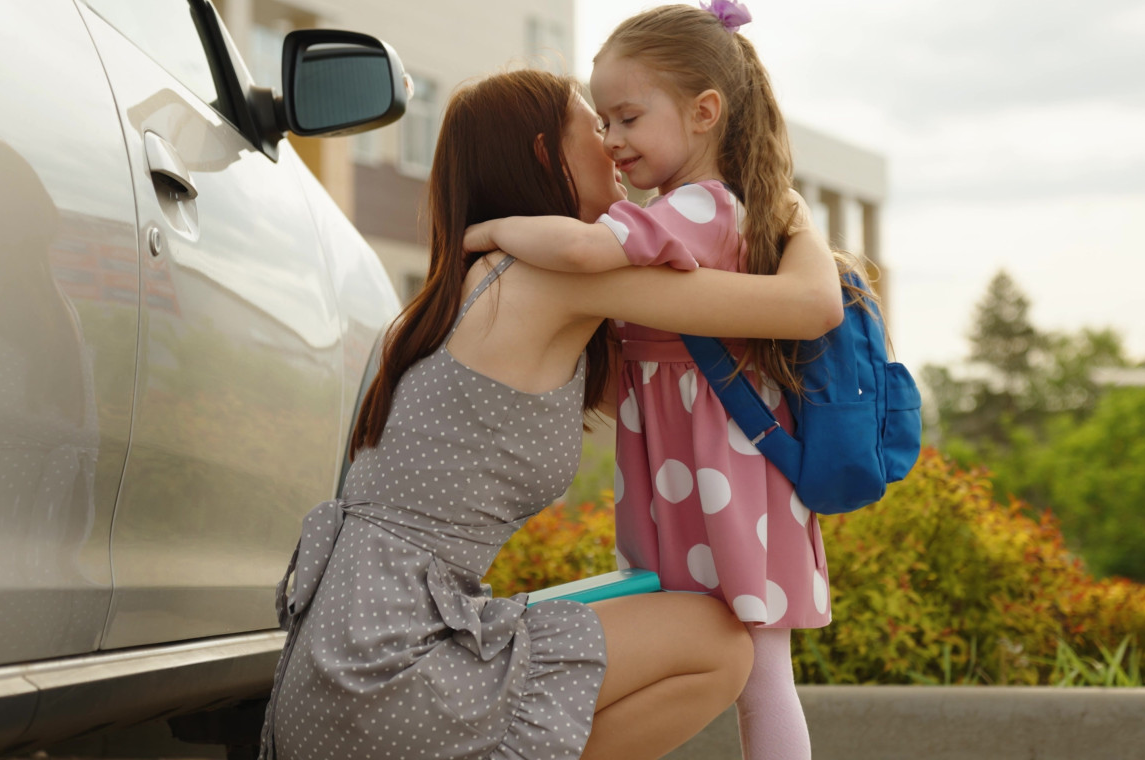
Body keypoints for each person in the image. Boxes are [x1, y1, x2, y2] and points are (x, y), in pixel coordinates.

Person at [259, 67, 843, 760]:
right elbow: (811, 307)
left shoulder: (448, 302)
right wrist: (789, 209)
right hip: (392, 673)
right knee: (717, 643)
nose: (616, 145)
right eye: (596, 127)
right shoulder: (545, 280)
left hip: (339, 668)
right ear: (547, 154)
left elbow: (659, 377)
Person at [464, 0, 865, 760]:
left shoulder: (698, 207)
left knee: (759, 672)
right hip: (699, 466)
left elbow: (585, 254)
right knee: (743, 664)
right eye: (604, 123)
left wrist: (488, 232)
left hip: (719, 467)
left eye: (627, 118)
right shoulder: (710, 208)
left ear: (705, 111)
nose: (612, 139)